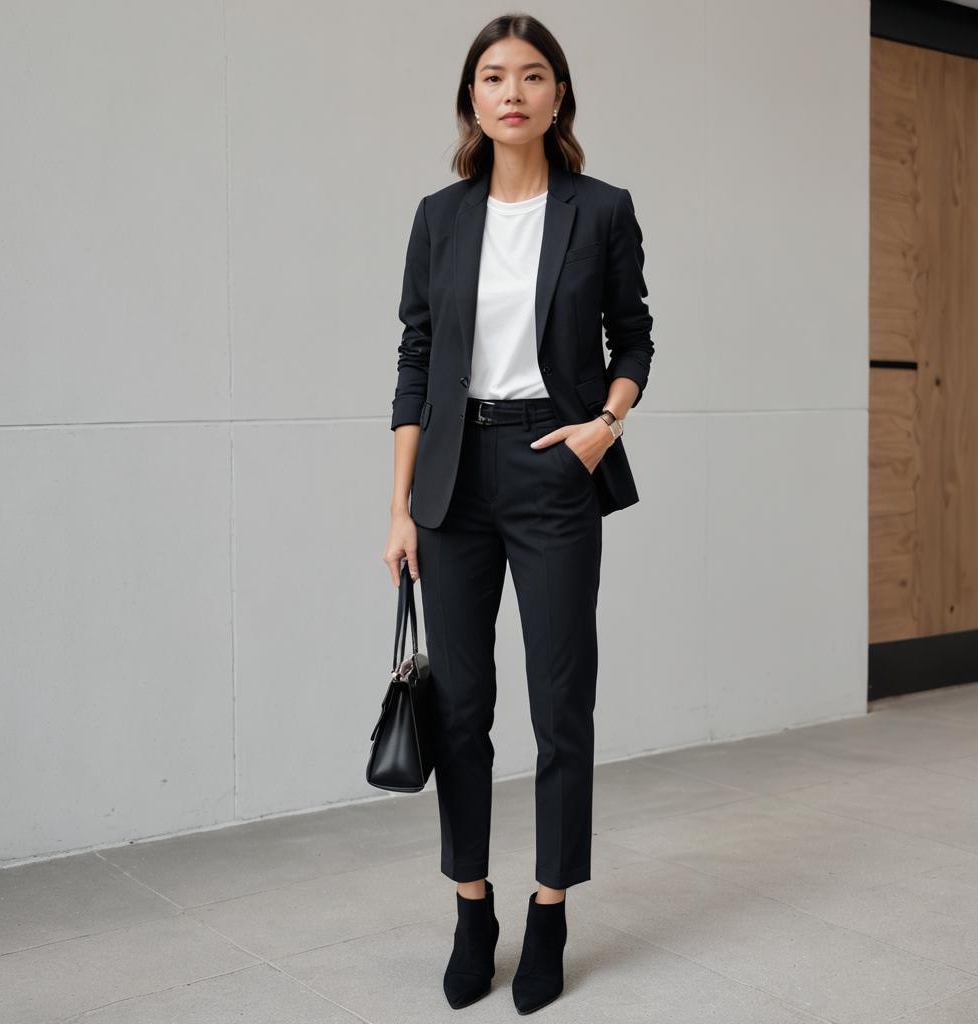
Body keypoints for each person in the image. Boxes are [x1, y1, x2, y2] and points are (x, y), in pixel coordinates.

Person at [381, 12, 654, 1014]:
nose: (512, 91)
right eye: (493, 76)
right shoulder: (438, 218)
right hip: (451, 477)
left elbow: (633, 337)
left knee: (559, 700)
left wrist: (603, 426)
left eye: (531, 75)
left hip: (552, 465)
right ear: (471, 98)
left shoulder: (601, 209)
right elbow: (414, 361)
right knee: (458, 707)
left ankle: (549, 906)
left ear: (557, 96)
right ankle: (471, 905)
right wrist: (402, 506)